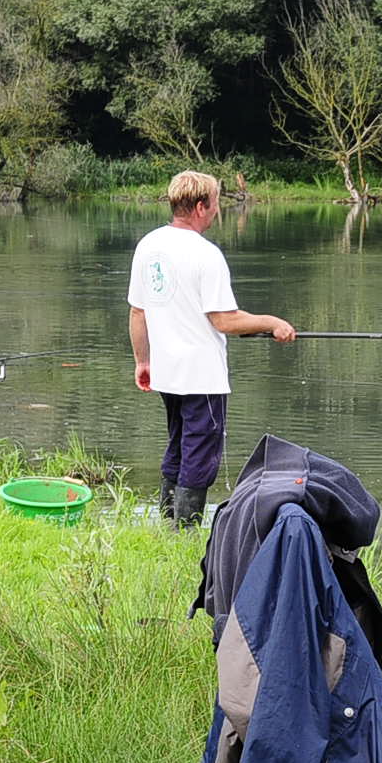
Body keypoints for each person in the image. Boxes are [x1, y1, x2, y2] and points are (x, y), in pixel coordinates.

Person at [127, 170, 297, 526]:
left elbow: (138, 312)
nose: (218, 210)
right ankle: (185, 531)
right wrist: (272, 322)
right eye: (216, 202)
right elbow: (225, 320)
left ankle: (168, 524)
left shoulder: (148, 245)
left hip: (166, 373)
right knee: (200, 452)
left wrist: (143, 361)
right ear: (201, 206)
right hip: (201, 375)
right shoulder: (206, 254)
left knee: (178, 443)